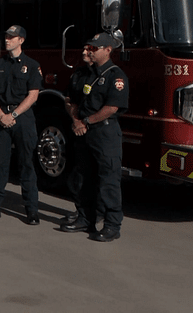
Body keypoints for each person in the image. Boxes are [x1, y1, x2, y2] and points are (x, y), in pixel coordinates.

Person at [60, 32, 128, 242]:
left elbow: (112, 107)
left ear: (107, 50)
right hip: (82, 132)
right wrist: (75, 119)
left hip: (104, 133)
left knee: (108, 181)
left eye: (93, 49)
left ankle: (111, 225)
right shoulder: (80, 74)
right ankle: (84, 218)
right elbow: (70, 99)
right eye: (87, 47)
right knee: (82, 178)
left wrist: (87, 122)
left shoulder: (115, 76)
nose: (86, 51)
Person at [0, 25, 42, 225]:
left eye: (12, 37)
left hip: (22, 118)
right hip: (0, 116)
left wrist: (13, 114)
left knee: (26, 164)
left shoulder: (31, 65)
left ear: (21, 40)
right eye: (6, 36)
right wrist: (1, 115)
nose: (7, 40)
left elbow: (33, 95)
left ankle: (31, 210)